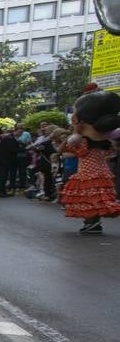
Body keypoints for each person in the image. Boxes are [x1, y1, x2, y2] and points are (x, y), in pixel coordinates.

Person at [61, 90, 120, 234]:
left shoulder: (83, 141)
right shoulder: (105, 142)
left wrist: (75, 131)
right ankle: (94, 222)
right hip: (103, 174)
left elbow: (65, 150)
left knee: (88, 199)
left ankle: (91, 223)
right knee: (97, 198)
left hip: (88, 174)